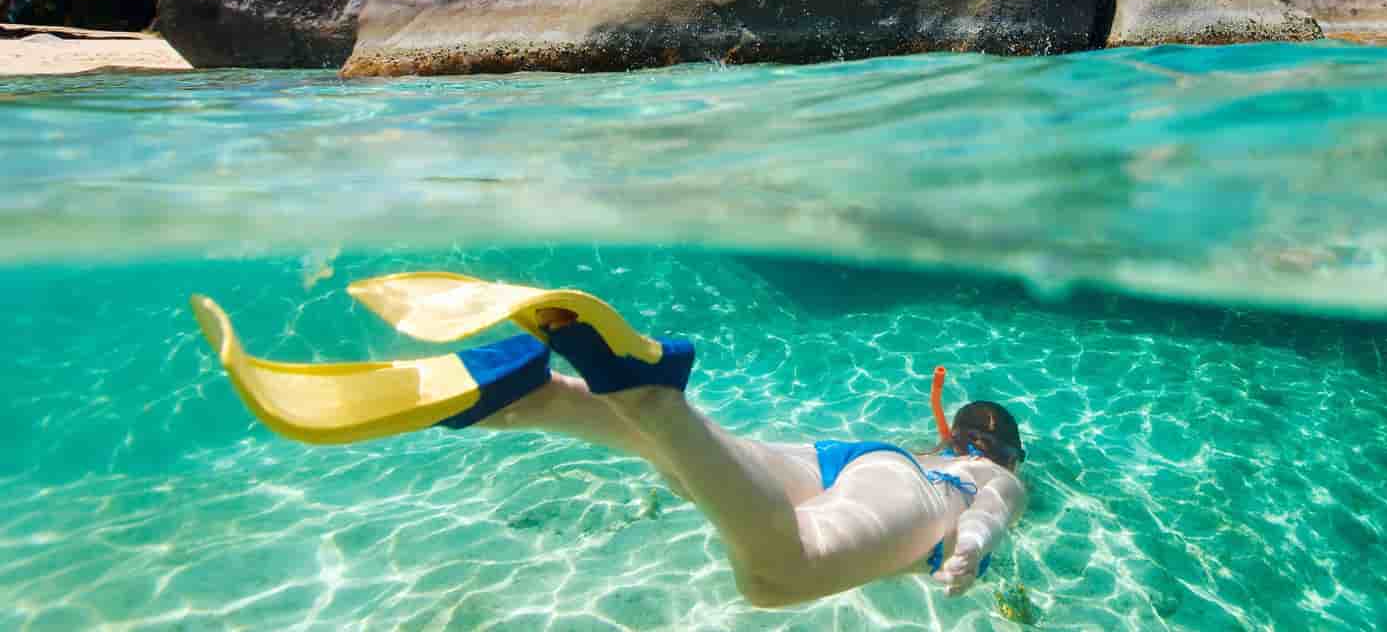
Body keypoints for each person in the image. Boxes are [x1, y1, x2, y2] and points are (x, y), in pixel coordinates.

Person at [191, 273, 1030, 608]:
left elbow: (872, 480)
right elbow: (989, 507)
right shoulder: (983, 472)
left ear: (954, 429)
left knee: (700, 461)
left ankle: (529, 398)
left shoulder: (924, 448)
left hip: (837, 457)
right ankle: (651, 393)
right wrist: (972, 548)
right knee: (780, 575)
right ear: (1003, 449)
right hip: (911, 490)